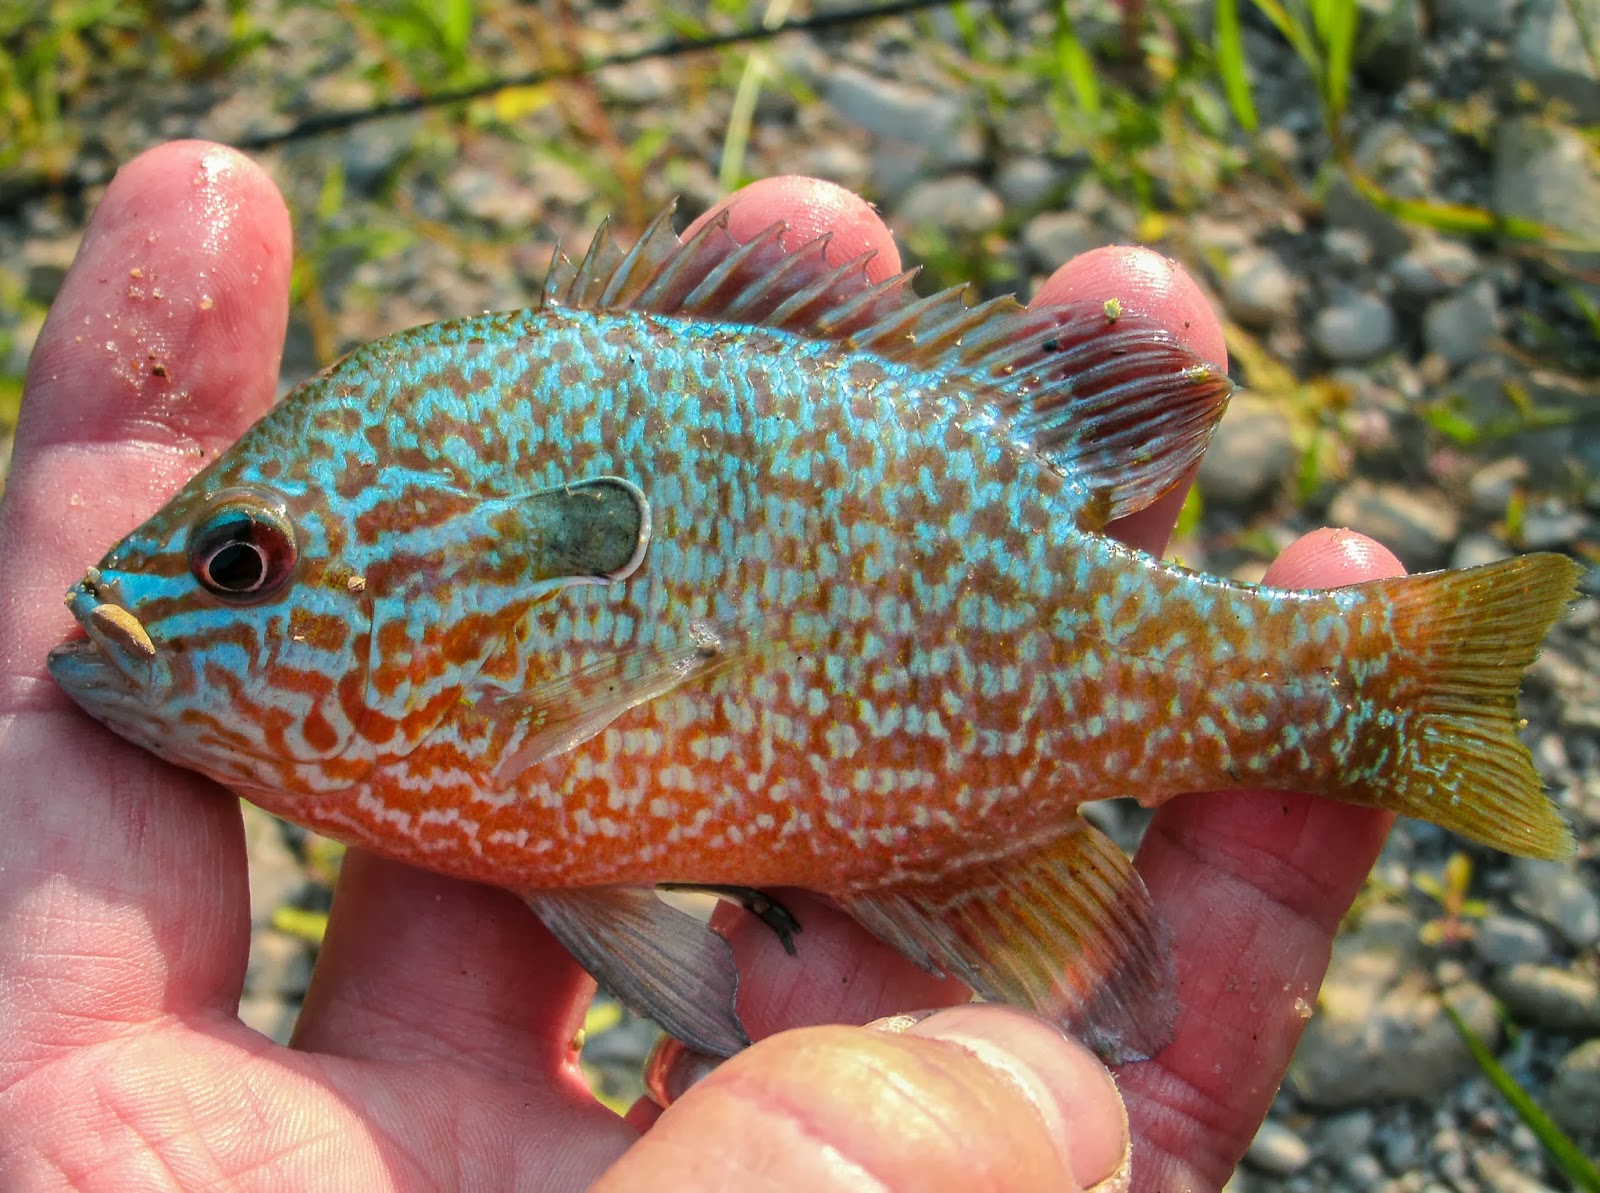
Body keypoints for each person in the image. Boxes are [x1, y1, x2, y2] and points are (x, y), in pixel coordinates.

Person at [0, 140, 1406, 1191]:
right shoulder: (444, 747)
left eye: (239, 565)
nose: (143, 618)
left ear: (435, 591)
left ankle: (1367, 692)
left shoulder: (461, 740)